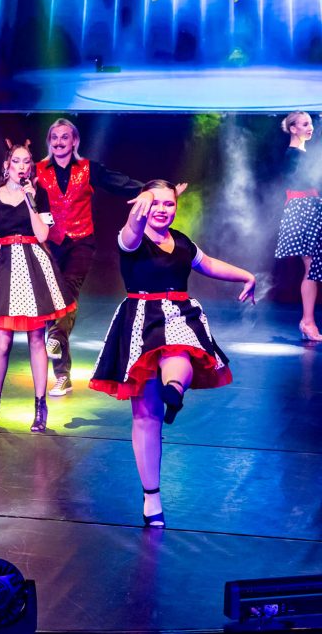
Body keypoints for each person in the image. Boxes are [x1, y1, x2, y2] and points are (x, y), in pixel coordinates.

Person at [89, 180, 255, 528]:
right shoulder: (131, 239)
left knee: (179, 351)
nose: (162, 210)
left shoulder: (182, 242)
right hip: (140, 321)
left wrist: (246, 276)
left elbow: (209, 264)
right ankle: (152, 498)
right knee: (146, 417)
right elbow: (133, 224)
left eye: (169, 204)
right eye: (156, 203)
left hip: (179, 315)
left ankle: (174, 391)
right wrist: (146, 199)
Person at [0, 141, 75, 433]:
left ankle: (40, 407)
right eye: (16, 161)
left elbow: (43, 234)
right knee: (2, 342)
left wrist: (30, 200)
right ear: (7, 165)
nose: (22, 167)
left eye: (26, 162)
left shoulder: (38, 195)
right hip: (4, 266)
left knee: (36, 339)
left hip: (33, 265)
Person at [34, 118, 150, 397]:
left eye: (65, 137)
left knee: (67, 295)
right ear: (49, 142)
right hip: (49, 244)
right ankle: (63, 376)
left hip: (81, 243)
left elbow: (121, 183)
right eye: (54, 137)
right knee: (52, 305)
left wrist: (154, 190)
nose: (59, 142)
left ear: (74, 141)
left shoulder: (89, 168)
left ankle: (56, 343)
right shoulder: (37, 170)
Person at [273, 111, 322, 341]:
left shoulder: (302, 153)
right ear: (293, 129)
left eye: (310, 123)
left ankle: (308, 321)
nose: (310, 127)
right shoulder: (293, 155)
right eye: (304, 124)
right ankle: (308, 322)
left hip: (309, 207)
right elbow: (301, 182)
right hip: (302, 208)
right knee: (311, 266)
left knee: (313, 266)